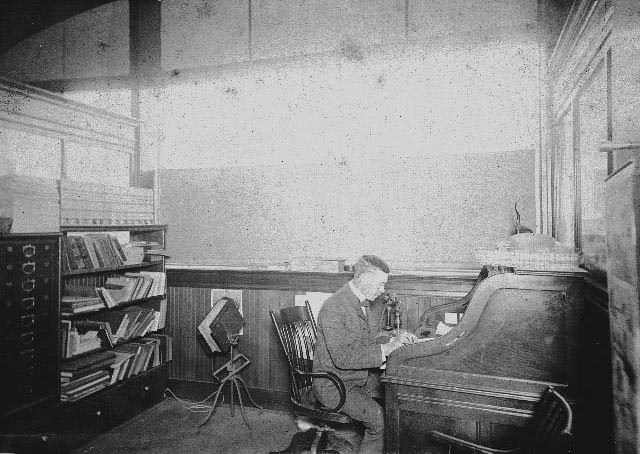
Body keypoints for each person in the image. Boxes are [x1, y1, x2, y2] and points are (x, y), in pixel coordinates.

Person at [312, 255, 416, 454]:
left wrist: (395, 338)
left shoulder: (361, 302)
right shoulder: (334, 307)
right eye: (380, 284)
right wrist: (385, 350)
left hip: (356, 378)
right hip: (334, 385)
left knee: (398, 401)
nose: (382, 290)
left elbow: (365, 341)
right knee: (381, 421)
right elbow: (342, 358)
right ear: (364, 279)